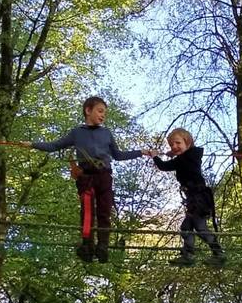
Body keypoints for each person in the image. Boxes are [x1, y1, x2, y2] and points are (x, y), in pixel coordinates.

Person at [18, 96, 151, 263]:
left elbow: (118, 155)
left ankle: (103, 245)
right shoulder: (77, 133)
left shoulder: (106, 133)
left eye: (105, 113)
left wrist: (141, 152)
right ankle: (87, 245)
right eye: (100, 111)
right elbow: (54, 146)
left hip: (104, 176)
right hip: (86, 178)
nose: (103, 116)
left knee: (104, 211)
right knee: (87, 212)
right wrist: (32, 144)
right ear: (88, 110)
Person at [152, 128, 226, 267]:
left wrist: (155, 156)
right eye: (171, 145)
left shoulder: (190, 156)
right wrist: (175, 153)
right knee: (187, 226)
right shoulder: (186, 157)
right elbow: (179, 160)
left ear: (188, 142)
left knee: (199, 226)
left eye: (178, 143)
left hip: (199, 198)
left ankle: (217, 253)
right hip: (194, 199)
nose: (174, 147)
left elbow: (163, 166)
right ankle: (189, 255)